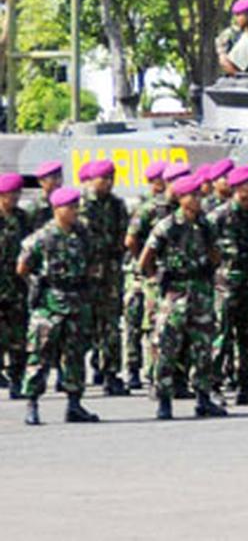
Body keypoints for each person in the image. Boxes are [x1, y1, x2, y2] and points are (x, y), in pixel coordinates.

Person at [140, 175, 228, 420]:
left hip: (200, 291)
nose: (198, 200)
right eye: (193, 195)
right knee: (167, 347)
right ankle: (164, 399)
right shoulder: (168, 226)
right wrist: (157, 279)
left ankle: (203, 398)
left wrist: (209, 267)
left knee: (203, 348)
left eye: (200, 195)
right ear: (181, 198)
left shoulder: (206, 224)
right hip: (175, 292)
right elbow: (145, 258)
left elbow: (215, 254)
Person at [19, 187, 100, 425]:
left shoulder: (83, 235)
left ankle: (74, 404)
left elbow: (93, 261)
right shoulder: (42, 238)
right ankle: (32, 404)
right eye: (71, 207)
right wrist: (38, 286)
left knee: (75, 355)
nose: (75, 211)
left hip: (77, 301)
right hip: (49, 304)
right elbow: (22, 267)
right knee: (40, 354)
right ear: (57, 209)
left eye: (76, 206)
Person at [207, 166, 248, 406]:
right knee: (221, 335)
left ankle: (246, 384)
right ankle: (212, 385)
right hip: (225, 284)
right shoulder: (218, 217)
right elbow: (205, 247)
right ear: (239, 188)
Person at [79, 159, 130, 396]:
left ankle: (111, 372)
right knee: (82, 327)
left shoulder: (117, 205)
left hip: (110, 273)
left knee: (110, 325)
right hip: (86, 275)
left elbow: (124, 235)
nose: (108, 183)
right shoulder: (80, 205)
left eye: (111, 178)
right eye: (104, 179)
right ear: (93, 180)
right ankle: (74, 373)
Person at [120, 161, 165, 391]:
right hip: (138, 273)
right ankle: (133, 368)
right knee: (134, 321)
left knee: (153, 322)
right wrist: (143, 264)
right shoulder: (143, 205)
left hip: (157, 273)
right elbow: (131, 240)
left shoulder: (171, 206)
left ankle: (151, 369)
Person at [0, 172, 31, 398]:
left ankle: (17, 379)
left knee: (19, 337)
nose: (15, 198)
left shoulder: (22, 218)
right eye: (11, 195)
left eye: (17, 194)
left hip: (17, 285)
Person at [216, 0, 248, 76]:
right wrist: (239, 76)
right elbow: (223, 60)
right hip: (233, 80)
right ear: (237, 16)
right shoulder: (228, 34)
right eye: (246, 15)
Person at [24, 160, 62, 228]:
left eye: (60, 177)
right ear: (41, 181)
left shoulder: (64, 204)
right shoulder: (34, 208)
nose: (58, 181)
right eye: (54, 178)